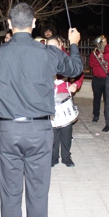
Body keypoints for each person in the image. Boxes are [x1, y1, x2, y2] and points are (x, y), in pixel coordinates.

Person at [0, 2, 83, 217]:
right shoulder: (47, 53)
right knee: (37, 193)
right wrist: (74, 43)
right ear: (34, 24)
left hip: (7, 129)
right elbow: (76, 68)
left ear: (9, 24)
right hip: (39, 129)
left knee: (10, 194)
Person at [47, 36, 84, 167]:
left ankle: (66, 157)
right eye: (48, 46)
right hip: (50, 98)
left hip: (65, 97)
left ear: (60, 45)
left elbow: (80, 72)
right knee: (53, 130)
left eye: (54, 46)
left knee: (66, 131)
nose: (52, 48)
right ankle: (54, 156)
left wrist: (76, 84)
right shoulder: (44, 60)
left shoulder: (67, 58)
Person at [89, 35, 108, 126]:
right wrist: (99, 58)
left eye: (105, 41)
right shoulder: (94, 53)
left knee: (107, 100)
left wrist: (105, 57)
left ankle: (107, 116)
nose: (105, 43)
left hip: (107, 79)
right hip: (97, 79)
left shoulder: (108, 52)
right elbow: (91, 65)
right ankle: (96, 115)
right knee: (97, 98)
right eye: (103, 41)